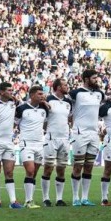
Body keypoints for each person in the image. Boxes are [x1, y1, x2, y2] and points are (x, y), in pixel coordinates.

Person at [69, 69, 106, 206]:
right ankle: (75, 198)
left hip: (94, 134)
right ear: (85, 79)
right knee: (78, 166)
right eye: (94, 78)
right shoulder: (75, 93)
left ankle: (85, 197)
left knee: (89, 166)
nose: (97, 80)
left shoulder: (99, 94)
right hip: (80, 133)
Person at [0, 82, 22, 208]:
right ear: (1, 92)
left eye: (12, 90)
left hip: (9, 143)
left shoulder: (14, 103)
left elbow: (23, 108)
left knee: (9, 172)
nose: (11, 92)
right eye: (9, 90)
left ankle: (13, 201)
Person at [15, 85, 50, 209]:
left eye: (43, 94)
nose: (42, 96)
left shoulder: (44, 109)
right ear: (32, 95)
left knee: (34, 173)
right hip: (26, 144)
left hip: (40, 144)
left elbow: (45, 124)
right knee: (29, 171)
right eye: (39, 94)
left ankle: (31, 200)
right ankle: (28, 201)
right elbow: (15, 123)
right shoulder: (21, 109)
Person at [42, 78, 73, 207]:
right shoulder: (48, 100)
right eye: (65, 85)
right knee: (48, 168)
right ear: (58, 87)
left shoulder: (68, 102)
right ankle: (46, 198)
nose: (67, 87)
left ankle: (59, 199)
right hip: (51, 138)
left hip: (65, 139)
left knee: (61, 169)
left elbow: (70, 118)